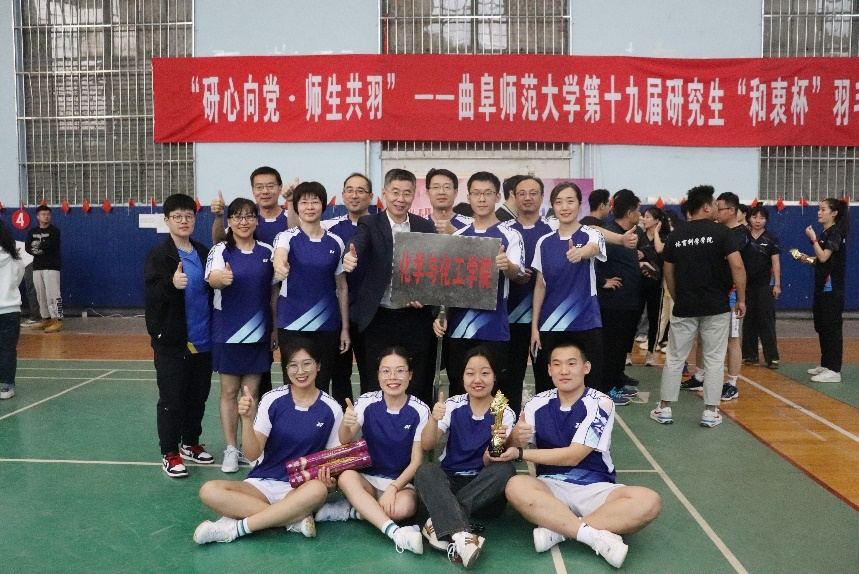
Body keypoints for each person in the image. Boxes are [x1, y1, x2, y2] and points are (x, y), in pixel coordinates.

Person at [504, 342, 661, 569]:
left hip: (596, 489)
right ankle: (592, 534)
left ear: (586, 368)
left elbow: (574, 456)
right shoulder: (536, 403)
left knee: (649, 501)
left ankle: (559, 529)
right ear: (549, 370)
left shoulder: (601, 403)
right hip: (551, 488)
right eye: (557, 364)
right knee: (515, 486)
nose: (564, 371)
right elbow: (512, 445)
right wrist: (515, 437)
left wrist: (521, 453)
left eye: (571, 364)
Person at [192, 340, 342, 544]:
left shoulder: (332, 409)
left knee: (318, 490)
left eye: (307, 364)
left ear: (318, 365)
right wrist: (246, 419)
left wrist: (330, 483)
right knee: (209, 490)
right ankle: (290, 519)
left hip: (299, 489)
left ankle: (235, 528)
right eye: (293, 365)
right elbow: (252, 454)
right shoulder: (272, 400)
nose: (300, 371)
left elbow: (333, 461)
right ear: (285, 368)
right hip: (261, 484)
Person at [650, 185, 745, 428]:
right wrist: (741, 299)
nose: (716, 208)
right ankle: (711, 412)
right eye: (714, 204)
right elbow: (737, 266)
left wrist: (678, 297)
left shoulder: (676, 235)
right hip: (716, 307)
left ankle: (664, 409)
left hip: (685, 307)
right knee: (714, 360)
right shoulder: (722, 233)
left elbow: (668, 272)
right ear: (705, 206)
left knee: (675, 358)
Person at [415, 346, 517, 568]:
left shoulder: (503, 411)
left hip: (483, 491)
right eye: (470, 373)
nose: (477, 379)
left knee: (506, 470)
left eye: (485, 373)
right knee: (425, 470)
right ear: (462, 377)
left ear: (494, 376)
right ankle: (463, 537)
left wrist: (494, 450)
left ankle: (439, 521)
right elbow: (427, 444)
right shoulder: (452, 405)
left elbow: (492, 461)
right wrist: (434, 419)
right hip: (449, 484)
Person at [342, 168, 437, 406]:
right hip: (379, 318)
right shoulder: (370, 223)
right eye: (395, 192)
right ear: (384, 193)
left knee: (417, 380)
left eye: (407, 193)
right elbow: (358, 242)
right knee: (376, 381)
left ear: (414, 195)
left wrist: (424, 295)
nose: (400, 199)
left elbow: (433, 270)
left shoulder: (424, 227)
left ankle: (418, 427)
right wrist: (350, 256)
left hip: (415, 318)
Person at [321, 347, 429, 555]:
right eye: (386, 371)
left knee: (403, 509)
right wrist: (346, 423)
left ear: (410, 375)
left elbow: (417, 461)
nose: (393, 377)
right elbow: (344, 439)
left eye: (400, 370)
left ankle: (353, 511)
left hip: (401, 484)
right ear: (378, 375)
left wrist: (393, 488)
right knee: (346, 478)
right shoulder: (367, 401)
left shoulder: (420, 410)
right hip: (368, 481)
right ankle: (395, 533)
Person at [433, 171, 524, 411]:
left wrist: (507, 265)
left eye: (487, 193)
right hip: (459, 330)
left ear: (498, 197)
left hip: (495, 329)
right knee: (458, 389)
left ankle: (498, 435)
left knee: (496, 393)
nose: (482, 199)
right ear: (469, 197)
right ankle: (459, 433)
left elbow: (516, 273)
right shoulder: (458, 236)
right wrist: (441, 316)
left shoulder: (511, 235)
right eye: (476, 193)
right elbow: (447, 284)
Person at [211, 166, 297, 398]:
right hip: (247, 310)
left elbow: (297, 235)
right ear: (253, 190)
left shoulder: (287, 218)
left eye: (270, 186)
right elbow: (220, 243)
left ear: (279, 188)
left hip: (283, 306)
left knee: (286, 373)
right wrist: (219, 217)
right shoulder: (244, 219)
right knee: (252, 386)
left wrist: (292, 202)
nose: (265, 191)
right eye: (259, 187)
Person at [206, 198, 278, 473]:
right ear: (230, 222)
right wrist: (220, 280)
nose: (243, 222)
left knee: (252, 393)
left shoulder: (267, 252)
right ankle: (230, 448)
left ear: (257, 221)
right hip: (227, 331)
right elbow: (213, 278)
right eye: (237, 217)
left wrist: (274, 328)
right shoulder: (220, 250)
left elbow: (274, 292)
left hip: (258, 333)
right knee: (229, 391)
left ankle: (250, 447)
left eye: (249, 216)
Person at [144, 194, 214, 478]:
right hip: (173, 341)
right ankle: (170, 452)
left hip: (203, 339)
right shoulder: (159, 255)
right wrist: (171, 284)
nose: (184, 221)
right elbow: (152, 293)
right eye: (177, 216)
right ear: (167, 220)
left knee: (198, 397)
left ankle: (190, 443)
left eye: (189, 216)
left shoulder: (203, 252)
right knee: (172, 400)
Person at [530, 182, 608, 396]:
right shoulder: (544, 242)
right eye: (559, 202)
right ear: (553, 207)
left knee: (591, 386)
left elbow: (593, 248)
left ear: (580, 205)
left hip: (586, 323)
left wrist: (580, 253)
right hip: (550, 325)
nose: (564, 207)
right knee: (547, 388)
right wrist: (535, 327)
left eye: (570, 201)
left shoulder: (591, 234)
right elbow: (540, 284)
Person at [273, 182, 350, 397]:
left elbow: (342, 287)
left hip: (327, 326)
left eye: (314, 201)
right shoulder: (286, 237)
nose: (309, 207)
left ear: (323, 205)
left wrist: (344, 328)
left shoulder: (336, 242)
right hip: (292, 324)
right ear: (296, 206)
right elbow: (279, 256)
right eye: (304, 202)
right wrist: (280, 267)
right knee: (293, 384)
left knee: (321, 383)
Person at [322, 173, 374, 408]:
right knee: (339, 374)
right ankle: (343, 424)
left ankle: (369, 422)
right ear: (343, 195)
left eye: (361, 191)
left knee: (370, 374)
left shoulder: (381, 226)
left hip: (371, 315)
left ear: (370, 196)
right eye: (350, 190)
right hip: (337, 313)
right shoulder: (329, 228)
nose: (355, 195)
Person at [507, 176, 558, 412]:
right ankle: (507, 427)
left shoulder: (554, 229)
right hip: (510, 319)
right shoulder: (505, 231)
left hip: (546, 319)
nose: (527, 198)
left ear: (542, 196)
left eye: (533, 193)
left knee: (547, 379)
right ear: (514, 197)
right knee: (510, 379)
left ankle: (547, 424)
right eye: (522, 193)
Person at [595, 190, 644, 406]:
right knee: (610, 348)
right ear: (630, 212)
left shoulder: (631, 233)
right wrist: (602, 281)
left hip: (629, 302)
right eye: (638, 211)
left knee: (621, 346)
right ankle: (606, 388)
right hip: (612, 303)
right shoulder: (609, 233)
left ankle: (617, 379)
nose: (640, 215)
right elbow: (591, 261)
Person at [798, 198, 849, 383]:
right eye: (819, 209)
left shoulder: (836, 232)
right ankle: (826, 365)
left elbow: (824, 257)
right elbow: (821, 260)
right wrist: (808, 259)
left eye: (823, 209)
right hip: (821, 287)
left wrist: (812, 239)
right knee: (822, 326)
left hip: (832, 288)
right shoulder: (825, 232)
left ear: (834, 213)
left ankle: (834, 371)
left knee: (832, 328)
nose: (819, 212)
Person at [713, 192, 755, 401]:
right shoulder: (719, 231)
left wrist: (741, 298)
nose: (716, 212)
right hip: (715, 292)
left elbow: (737, 266)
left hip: (731, 295)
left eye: (719, 208)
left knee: (733, 339)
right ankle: (702, 376)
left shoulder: (741, 234)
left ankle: (732, 383)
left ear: (731, 210)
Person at [742, 205, 781, 369]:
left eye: (762, 218)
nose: (758, 221)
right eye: (755, 217)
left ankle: (772, 358)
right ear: (749, 218)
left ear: (766, 220)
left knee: (766, 321)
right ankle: (750, 355)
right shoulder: (743, 237)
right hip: (746, 286)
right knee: (748, 321)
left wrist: (777, 284)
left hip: (765, 286)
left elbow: (776, 263)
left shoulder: (771, 238)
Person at [637, 207, 668, 366]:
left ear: (657, 221)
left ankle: (650, 353)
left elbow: (660, 254)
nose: (644, 219)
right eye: (644, 216)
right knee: (634, 317)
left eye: (648, 216)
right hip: (638, 283)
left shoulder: (664, 238)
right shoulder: (638, 236)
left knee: (654, 318)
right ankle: (627, 354)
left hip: (656, 285)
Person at [25, 205, 63, 333]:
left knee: (53, 294)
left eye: (48, 214)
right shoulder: (32, 231)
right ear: (38, 216)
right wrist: (37, 248)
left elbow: (50, 245)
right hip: (37, 267)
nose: (46, 216)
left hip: (51, 266)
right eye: (43, 214)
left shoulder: (54, 231)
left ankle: (57, 320)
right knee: (40, 295)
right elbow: (27, 247)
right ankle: (45, 319)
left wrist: (37, 246)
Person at [0, 219, 25, 399]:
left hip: (9, 310)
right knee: (7, 349)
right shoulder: (15, 257)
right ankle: (5, 386)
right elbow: (17, 279)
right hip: (10, 310)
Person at [425, 168, 473, 235]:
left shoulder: (471, 224)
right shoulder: (419, 224)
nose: (441, 192)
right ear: (428, 193)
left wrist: (455, 233)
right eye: (436, 187)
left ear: (455, 192)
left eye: (447, 187)